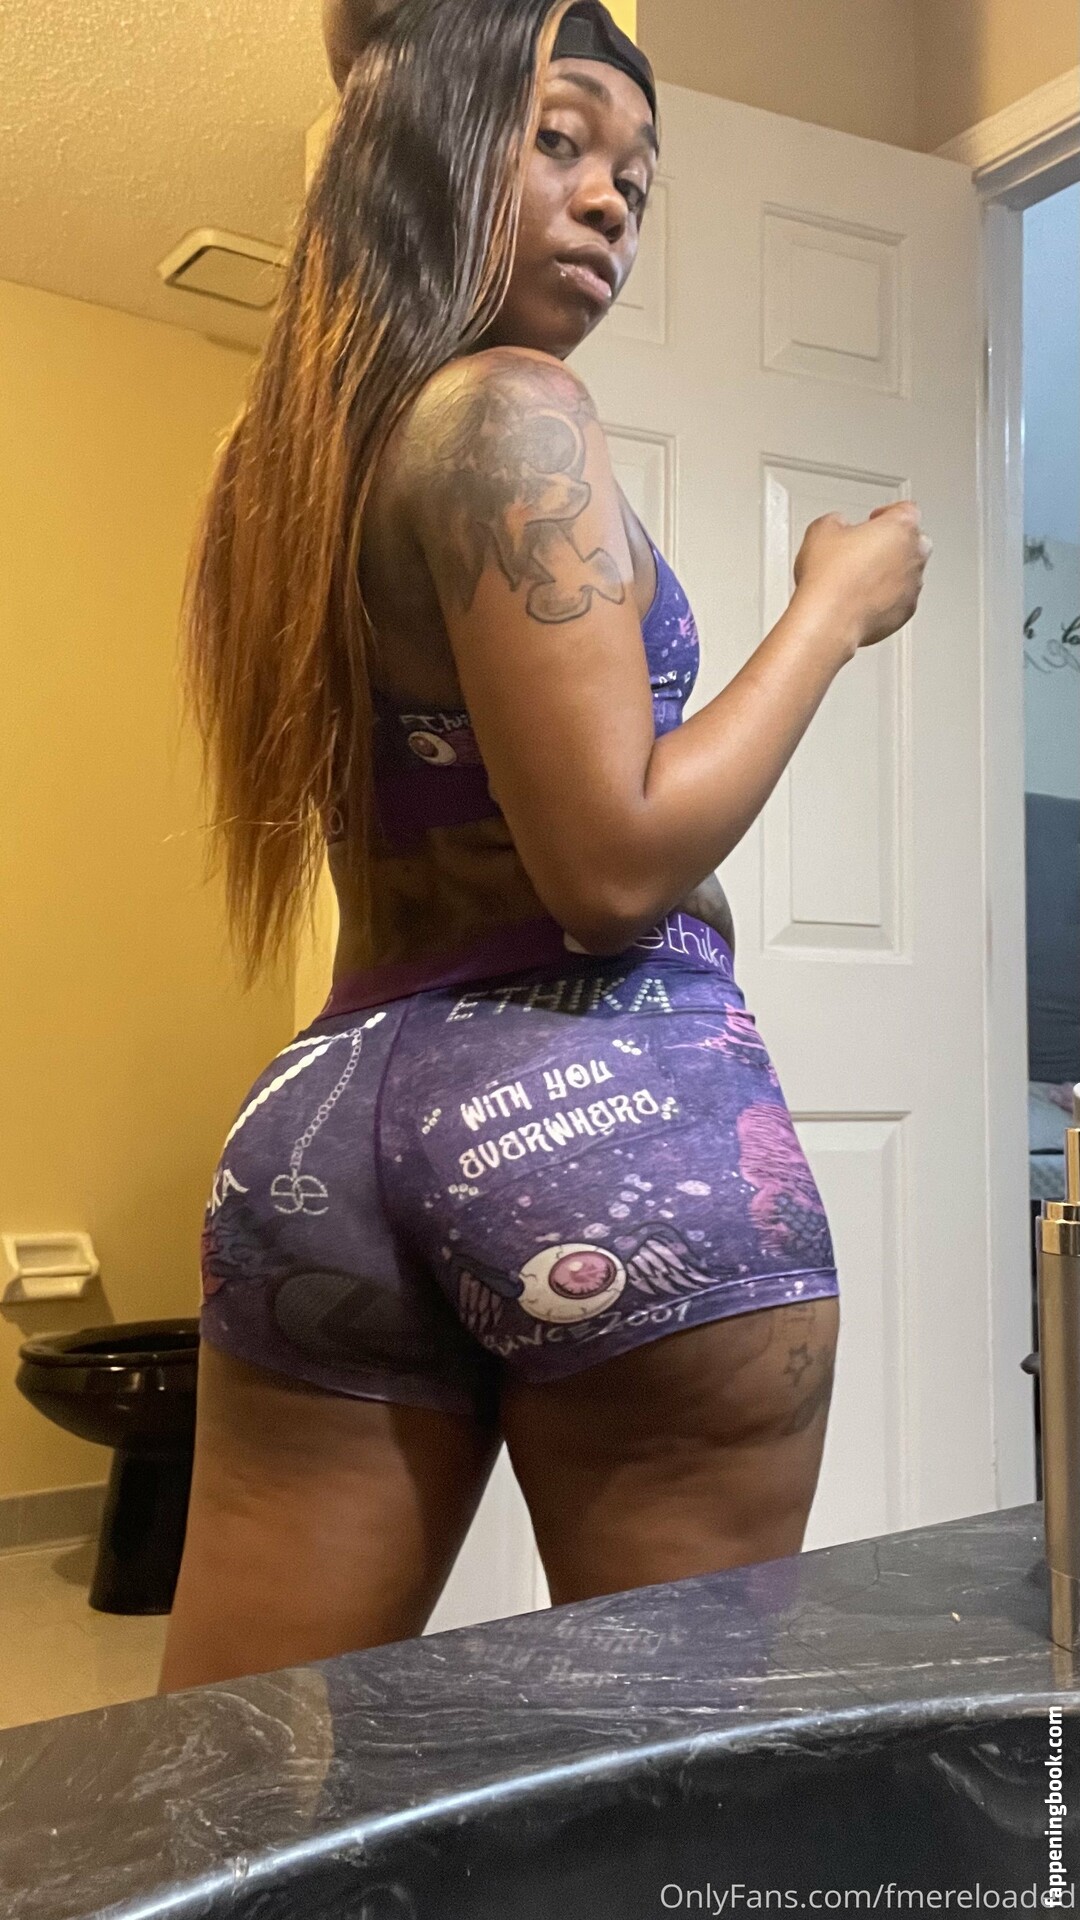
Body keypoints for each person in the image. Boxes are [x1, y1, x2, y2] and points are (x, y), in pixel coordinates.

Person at [158, 0, 931, 1692]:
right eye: (561, 138)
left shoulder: (277, 471)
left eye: (636, 180)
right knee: (669, 1785)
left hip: (327, 1128)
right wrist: (834, 606)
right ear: (424, 147)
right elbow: (610, 867)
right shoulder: (511, 410)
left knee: (235, 1779)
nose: (608, 202)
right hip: (609, 1098)